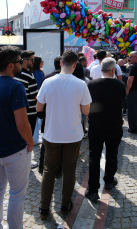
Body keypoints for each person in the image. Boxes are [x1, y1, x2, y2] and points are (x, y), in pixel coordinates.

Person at [0, 46, 34, 229]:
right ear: (11, 65)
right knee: (17, 194)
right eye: (20, 61)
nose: (22, 64)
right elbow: (22, 123)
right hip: (14, 150)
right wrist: (30, 141)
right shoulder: (16, 86)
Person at [36, 50, 91, 220]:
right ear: (75, 65)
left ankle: (44, 208)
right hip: (72, 135)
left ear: (61, 63)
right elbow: (86, 111)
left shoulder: (48, 82)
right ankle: (65, 205)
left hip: (51, 134)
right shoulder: (81, 84)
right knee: (69, 171)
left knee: (49, 170)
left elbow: (39, 108)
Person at [85, 58, 125, 201]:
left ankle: (92, 189)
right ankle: (109, 180)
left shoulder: (91, 84)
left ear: (101, 69)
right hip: (114, 125)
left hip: (96, 125)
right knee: (112, 154)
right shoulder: (120, 85)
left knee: (94, 156)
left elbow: (87, 104)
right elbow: (122, 103)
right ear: (113, 70)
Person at [14, 50, 39, 169]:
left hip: (16, 111)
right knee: (28, 138)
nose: (33, 62)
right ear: (25, 61)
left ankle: (19, 160)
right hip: (30, 112)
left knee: (18, 137)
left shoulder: (13, 74)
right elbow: (36, 96)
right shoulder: (29, 76)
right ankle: (26, 162)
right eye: (32, 60)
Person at [37, 56, 62, 175]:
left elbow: (40, 100)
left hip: (48, 115)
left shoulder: (46, 77)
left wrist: (41, 114)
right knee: (61, 144)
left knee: (46, 143)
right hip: (62, 116)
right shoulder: (68, 79)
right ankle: (58, 170)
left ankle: (43, 166)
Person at [32, 56, 45, 145]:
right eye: (41, 61)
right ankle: (35, 139)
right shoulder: (39, 74)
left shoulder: (31, 72)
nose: (43, 63)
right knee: (37, 120)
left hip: (32, 98)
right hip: (38, 98)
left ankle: (34, 138)